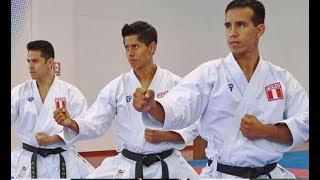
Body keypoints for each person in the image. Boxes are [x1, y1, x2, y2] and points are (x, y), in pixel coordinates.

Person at [133, 0, 309, 179]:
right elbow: (180, 106)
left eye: (241, 25)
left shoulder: (280, 78)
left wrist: (267, 131)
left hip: (270, 173)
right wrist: (152, 106)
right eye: (228, 26)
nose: (232, 33)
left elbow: (305, 120)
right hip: (222, 174)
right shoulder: (210, 73)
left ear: (260, 29)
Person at [53, 21, 199, 179]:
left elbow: (194, 120)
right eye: (126, 47)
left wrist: (167, 136)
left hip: (168, 163)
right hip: (129, 165)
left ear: (152, 47)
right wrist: (71, 123)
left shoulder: (175, 83)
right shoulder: (117, 87)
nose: (130, 53)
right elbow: (95, 121)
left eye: (135, 46)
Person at [11, 40, 94, 179]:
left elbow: (84, 126)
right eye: (29, 61)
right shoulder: (20, 92)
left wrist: (53, 139)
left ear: (50, 62)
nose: (30, 66)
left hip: (62, 160)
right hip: (29, 158)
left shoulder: (70, 92)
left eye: (35, 61)